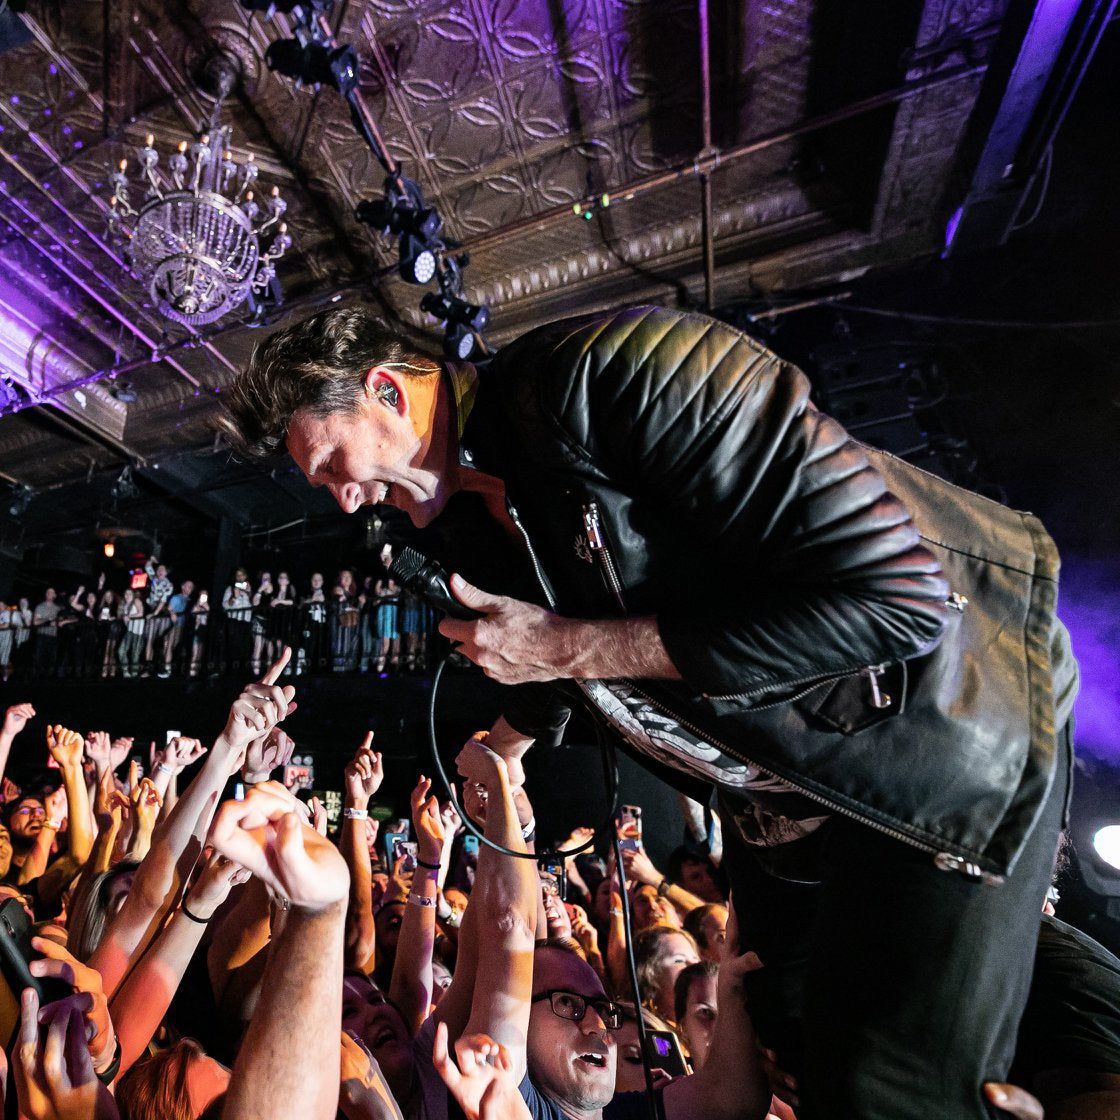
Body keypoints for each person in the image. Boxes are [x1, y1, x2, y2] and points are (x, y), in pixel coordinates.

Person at [222, 303, 1080, 1119]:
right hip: (788, 811)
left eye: (333, 463)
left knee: (888, 1094)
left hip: (933, 746)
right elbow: (573, 662)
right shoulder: (480, 518)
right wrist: (507, 745)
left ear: (386, 389)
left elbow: (894, 600)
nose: (340, 498)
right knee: (785, 1041)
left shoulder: (615, 374)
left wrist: (564, 648)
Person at [31, 587, 60, 676]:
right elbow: (35, 622)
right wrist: (48, 620)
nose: (50, 594)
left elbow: (60, 622)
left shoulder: (58, 608)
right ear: (45, 594)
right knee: (39, 658)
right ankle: (35, 678)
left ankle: (48, 679)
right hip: (42, 635)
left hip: (53, 636)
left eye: (52, 592)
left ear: (55, 595)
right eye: (48, 592)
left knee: (51, 659)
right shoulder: (40, 607)